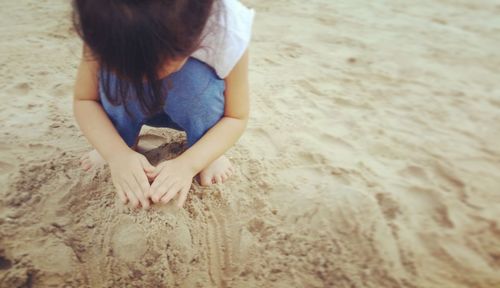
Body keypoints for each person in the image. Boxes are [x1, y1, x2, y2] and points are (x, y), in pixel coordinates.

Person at [71, 0, 254, 209]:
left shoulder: (228, 30)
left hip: (192, 101)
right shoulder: (104, 18)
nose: (140, 80)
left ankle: (207, 150)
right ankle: (120, 137)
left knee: (193, 77)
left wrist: (189, 164)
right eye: (124, 69)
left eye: (150, 70)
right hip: (132, 104)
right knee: (112, 80)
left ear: (192, 38)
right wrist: (116, 154)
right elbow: (85, 99)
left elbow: (235, 116)